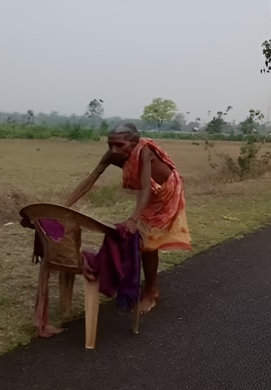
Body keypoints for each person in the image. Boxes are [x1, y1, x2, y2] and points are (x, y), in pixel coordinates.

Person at [65, 122, 191, 313]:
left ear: (134, 142)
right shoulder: (112, 155)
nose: (114, 150)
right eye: (110, 144)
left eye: (119, 145)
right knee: (141, 241)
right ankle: (133, 284)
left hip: (165, 193)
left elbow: (147, 186)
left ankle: (150, 292)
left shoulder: (144, 151)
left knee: (148, 243)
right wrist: (62, 208)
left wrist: (134, 219)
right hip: (147, 193)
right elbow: (89, 181)